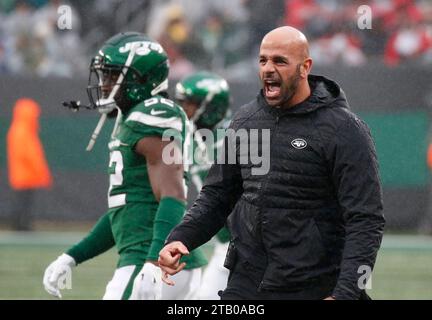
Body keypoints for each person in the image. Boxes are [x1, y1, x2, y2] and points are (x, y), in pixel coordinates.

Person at [159, 26, 385, 300]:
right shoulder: (245, 122)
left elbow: (365, 219)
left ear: (305, 67)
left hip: (314, 286)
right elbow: (217, 197)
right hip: (248, 282)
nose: (268, 68)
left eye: (279, 61)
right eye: (263, 60)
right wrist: (181, 238)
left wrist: (346, 293)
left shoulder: (345, 129)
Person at [42, 32, 207, 300]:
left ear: (140, 79)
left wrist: (154, 263)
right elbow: (125, 212)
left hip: (153, 258)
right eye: (103, 76)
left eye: (111, 76)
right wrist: (72, 257)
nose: (104, 85)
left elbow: (173, 195)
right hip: (148, 255)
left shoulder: (153, 114)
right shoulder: (129, 119)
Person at [174, 71, 232, 299]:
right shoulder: (195, 139)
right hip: (226, 246)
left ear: (210, 107)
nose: (183, 111)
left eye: (188, 105)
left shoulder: (236, 137)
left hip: (253, 245)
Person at [7, 98, 53, 231]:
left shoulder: (21, 130)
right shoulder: (22, 131)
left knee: (24, 201)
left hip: (24, 174)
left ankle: (21, 224)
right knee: (23, 201)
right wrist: (41, 172)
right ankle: (21, 225)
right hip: (25, 174)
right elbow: (29, 155)